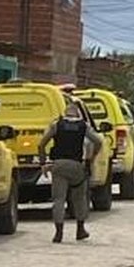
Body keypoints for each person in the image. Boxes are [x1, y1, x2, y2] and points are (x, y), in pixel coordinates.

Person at [38, 102, 104, 243]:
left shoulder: (57, 125)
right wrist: (91, 158)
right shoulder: (83, 126)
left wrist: (43, 163)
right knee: (79, 198)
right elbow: (98, 141)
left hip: (59, 165)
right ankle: (80, 229)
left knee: (58, 199)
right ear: (78, 114)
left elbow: (42, 144)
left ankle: (58, 233)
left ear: (65, 113)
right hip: (76, 166)